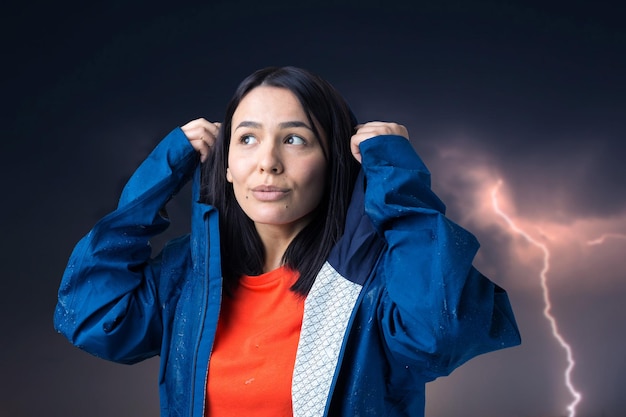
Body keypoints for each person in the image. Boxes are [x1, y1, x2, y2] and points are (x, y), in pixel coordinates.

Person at [54, 66, 521, 417]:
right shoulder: (187, 274)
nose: (268, 163)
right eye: (248, 139)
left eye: (295, 140)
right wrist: (161, 174)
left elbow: (441, 334)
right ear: (227, 165)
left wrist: (399, 181)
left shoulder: (379, 276)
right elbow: (95, 321)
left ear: (334, 160)